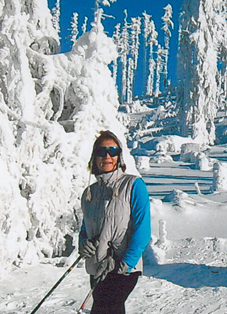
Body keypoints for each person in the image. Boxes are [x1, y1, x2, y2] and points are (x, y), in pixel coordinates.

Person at [79, 130, 151, 314]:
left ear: (119, 156)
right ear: (94, 157)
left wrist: (124, 264)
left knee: (106, 307)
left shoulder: (133, 185)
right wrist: (83, 244)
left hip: (123, 269)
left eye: (113, 151)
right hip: (98, 268)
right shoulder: (89, 193)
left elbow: (142, 230)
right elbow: (85, 228)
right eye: (102, 152)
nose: (108, 156)